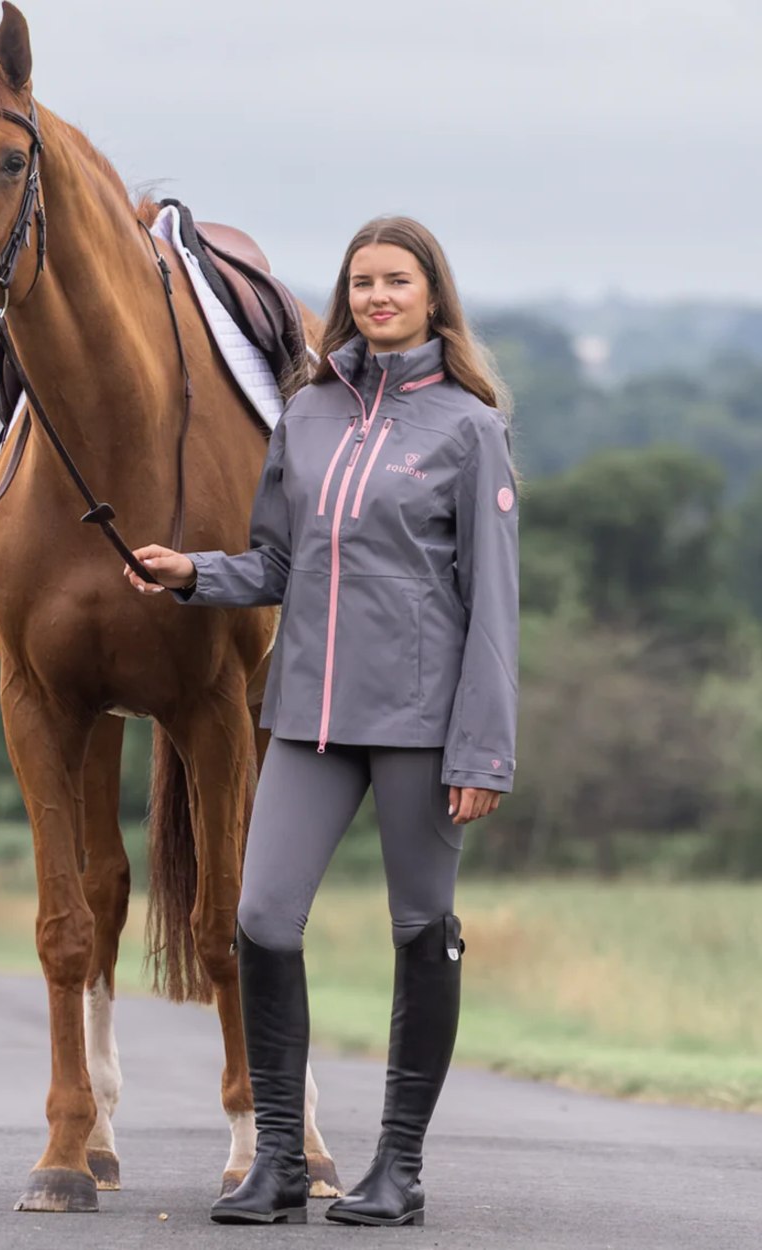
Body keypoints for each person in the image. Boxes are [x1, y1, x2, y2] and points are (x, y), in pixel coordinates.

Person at [123, 216, 518, 1227]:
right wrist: (195, 572)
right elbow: (277, 563)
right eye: (363, 281)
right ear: (346, 297)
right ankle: (282, 1160)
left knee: (421, 928)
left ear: (432, 295)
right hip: (307, 715)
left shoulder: (469, 427)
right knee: (260, 917)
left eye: (397, 281)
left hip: (421, 725)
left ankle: (399, 1166)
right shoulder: (306, 413)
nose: (379, 296)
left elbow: (494, 608)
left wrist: (482, 748)